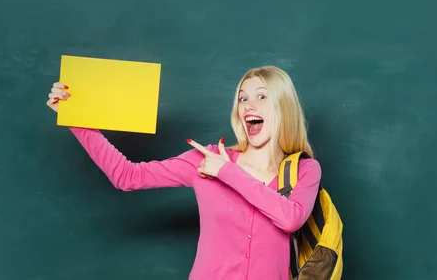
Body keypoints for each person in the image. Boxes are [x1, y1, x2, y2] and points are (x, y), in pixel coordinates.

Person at [46, 66, 322, 280]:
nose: (248, 105)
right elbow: (127, 176)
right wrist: (76, 117)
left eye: (261, 96)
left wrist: (227, 172)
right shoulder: (204, 159)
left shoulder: (304, 169)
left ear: (282, 107)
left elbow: (290, 218)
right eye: (242, 98)